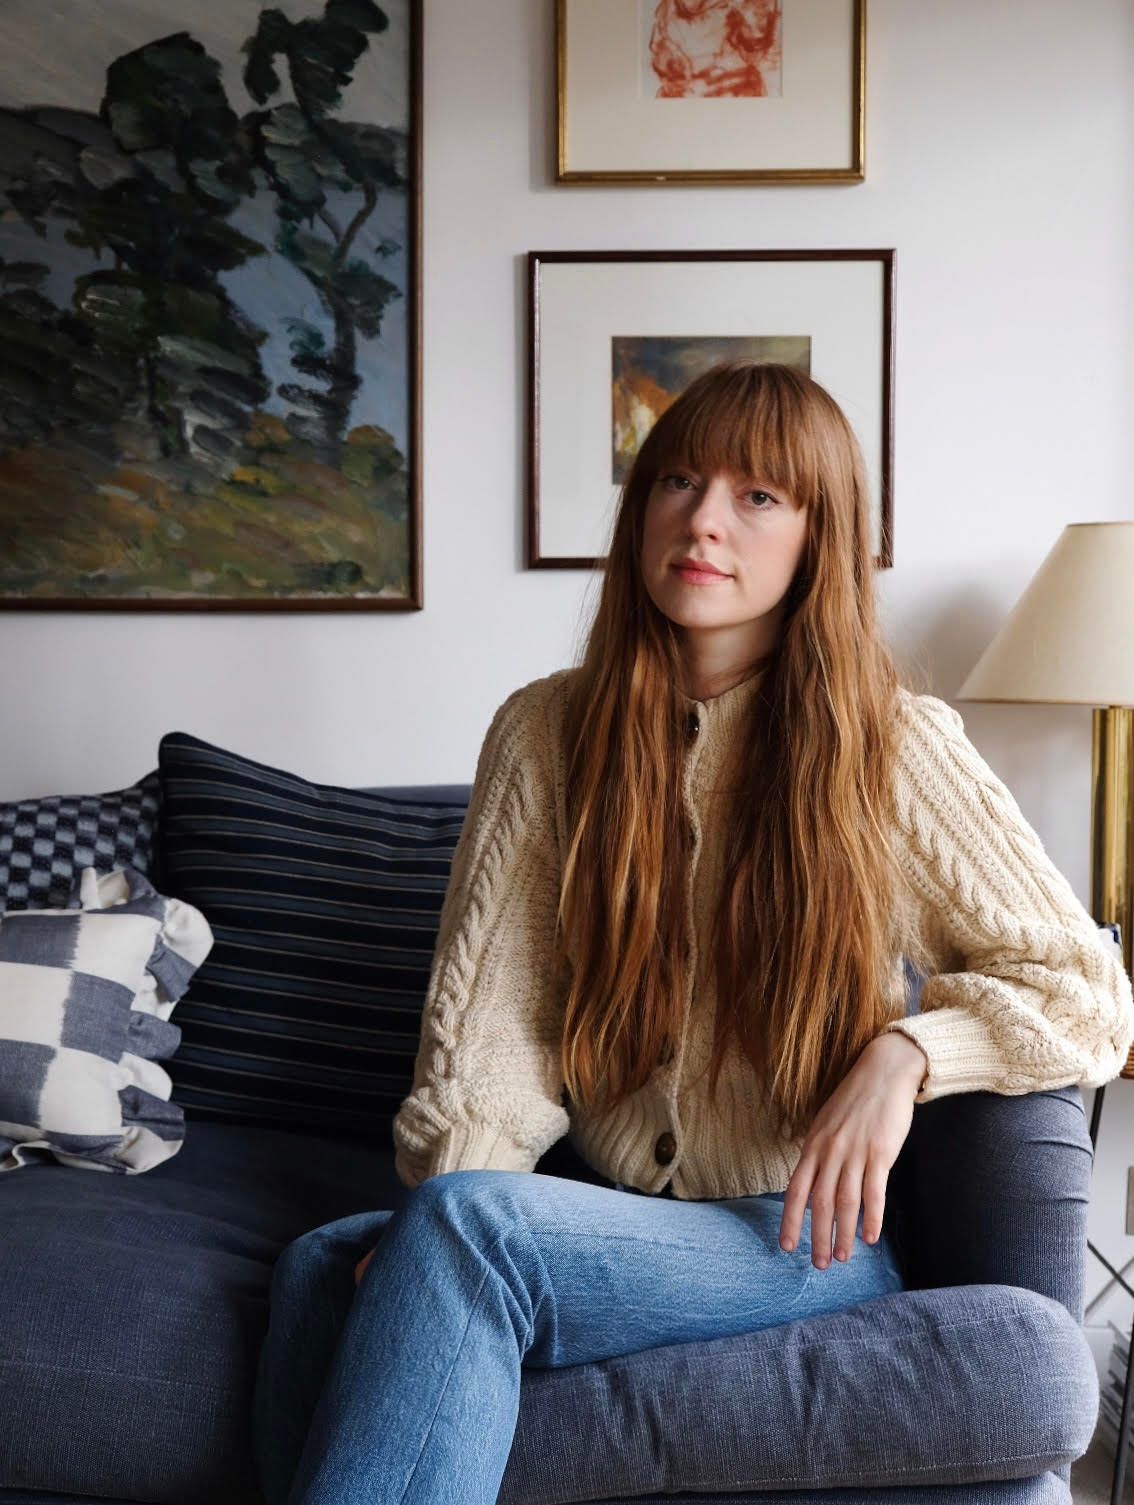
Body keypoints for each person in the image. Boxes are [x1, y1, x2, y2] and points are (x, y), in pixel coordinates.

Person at [250, 361, 1134, 1505]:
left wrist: (910, 1053)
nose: (704, 519)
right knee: (329, 1266)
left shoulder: (895, 747)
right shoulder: (545, 732)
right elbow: (496, 1035)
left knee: (464, 1234)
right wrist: (441, 1209)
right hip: (609, 1212)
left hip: (795, 1241)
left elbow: (1089, 990)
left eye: (760, 495)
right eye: (677, 479)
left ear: (822, 533)